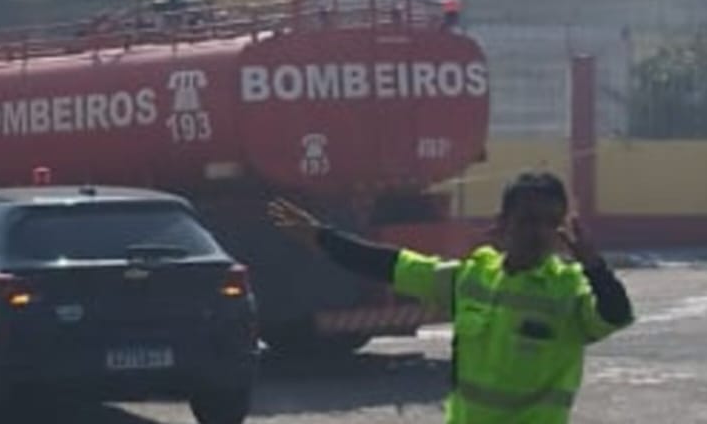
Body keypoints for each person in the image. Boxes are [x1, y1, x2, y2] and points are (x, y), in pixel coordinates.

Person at [268, 172, 634, 423]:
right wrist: (323, 238)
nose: (538, 231)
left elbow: (615, 315)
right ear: (503, 223)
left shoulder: (568, 291)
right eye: (528, 220)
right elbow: (394, 265)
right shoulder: (473, 277)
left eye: (549, 223)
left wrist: (594, 266)